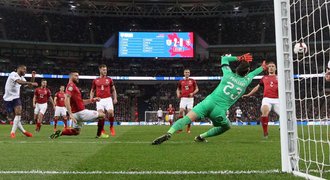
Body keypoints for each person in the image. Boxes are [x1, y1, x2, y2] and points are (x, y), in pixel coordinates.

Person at [152, 53, 267, 145]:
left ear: (237, 69)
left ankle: (169, 133)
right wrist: (262, 68)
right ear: (246, 72)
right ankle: (201, 137)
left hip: (208, 103)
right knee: (226, 126)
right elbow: (253, 73)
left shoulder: (228, 74)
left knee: (186, 118)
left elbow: (224, 59)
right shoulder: (246, 81)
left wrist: (239, 57)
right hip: (219, 111)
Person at [50, 71, 105, 139]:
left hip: (76, 114)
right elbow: (66, 99)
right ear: (71, 76)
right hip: (81, 113)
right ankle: (99, 135)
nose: (77, 77)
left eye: (78, 76)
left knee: (76, 132)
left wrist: (93, 100)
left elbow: (81, 102)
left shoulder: (73, 87)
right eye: (76, 76)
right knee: (102, 115)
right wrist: (70, 114)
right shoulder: (71, 86)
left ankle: (61, 133)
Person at [243, 61, 278, 138]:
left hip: (278, 100)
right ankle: (265, 133)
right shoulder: (264, 78)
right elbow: (257, 88)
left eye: (273, 66)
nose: (271, 68)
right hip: (267, 99)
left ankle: (283, 128)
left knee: (283, 116)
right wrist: (248, 94)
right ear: (267, 69)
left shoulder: (279, 77)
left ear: (275, 68)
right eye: (269, 66)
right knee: (264, 113)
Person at [3, 65, 38, 138]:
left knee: (18, 114)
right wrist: (30, 83)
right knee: (15, 118)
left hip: (16, 98)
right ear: (19, 69)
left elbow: (30, 86)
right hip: (7, 99)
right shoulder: (13, 74)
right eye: (24, 69)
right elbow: (19, 82)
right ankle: (24, 132)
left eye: (26, 69)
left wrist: (33, 77)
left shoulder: (22, 78)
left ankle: (12, 133)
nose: (25, 71)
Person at [90, 64, 118, 138]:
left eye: (106, 70)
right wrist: (91, 98)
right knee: (101, 116)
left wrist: (115, 98)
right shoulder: (95, 80)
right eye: (103, 70)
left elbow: (113, 90)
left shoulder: (109, 79)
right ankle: (102, 129)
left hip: (108, 99)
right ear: (100, 70)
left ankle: (111, 126)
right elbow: (92, 90)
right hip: (99, 100)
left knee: (110, 113)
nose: (105, 71)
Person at [176, 69, 199, 133]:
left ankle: (188, 128)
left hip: (190, 99)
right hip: (183, 98)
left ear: (189, 73)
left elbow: (197, 89)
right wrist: (178, 94)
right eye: (186, 72)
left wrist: (193, 93)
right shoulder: (181, 81)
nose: (187, 73)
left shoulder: (192, 81)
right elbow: (178, 89)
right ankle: (180, 128)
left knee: (189, 113)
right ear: (184, 73)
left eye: (188, 72)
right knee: (181, 111)